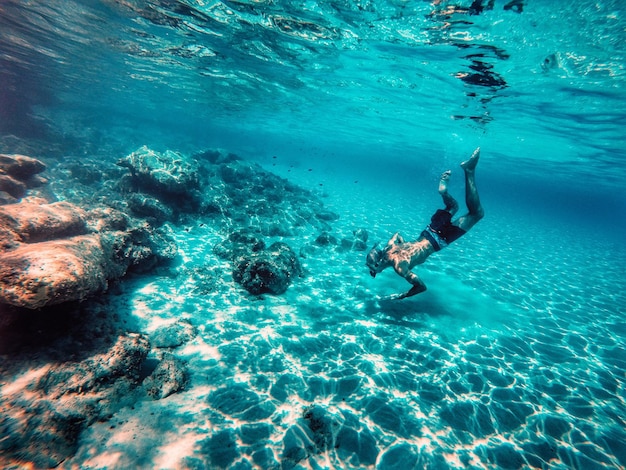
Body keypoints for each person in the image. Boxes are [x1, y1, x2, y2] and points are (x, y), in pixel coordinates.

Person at [366, 147, 484, 299]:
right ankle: (444, 192)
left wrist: (399, 296)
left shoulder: (399, 267)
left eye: (372, 269)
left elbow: (421, 287)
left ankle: (469, 170)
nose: (372, 272)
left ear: (377, 264)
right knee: (453, 206)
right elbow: (397, 235)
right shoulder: (390, 247)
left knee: (477, 214)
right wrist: (405, 245)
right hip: (429, 231)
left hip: (440, 240)